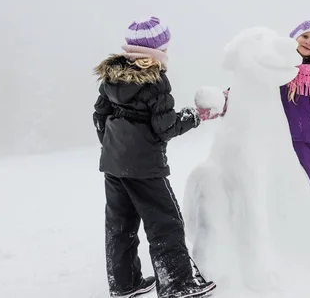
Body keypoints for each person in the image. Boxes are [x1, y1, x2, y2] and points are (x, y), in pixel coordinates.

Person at [197, 20, 310, 254]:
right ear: (293, 38)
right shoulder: (282, 69)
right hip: (297, 141)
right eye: (305, 36)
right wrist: (223, 102)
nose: (308, 42)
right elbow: (253, 86)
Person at [93, 17, 217, 298]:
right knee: (165, 222)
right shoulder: (156, 82)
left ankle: (124, 284)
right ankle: (178, 285)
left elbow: (99, 116)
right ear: (158, 49)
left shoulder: (111, 75)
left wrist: (114, 146)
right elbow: (166, 127)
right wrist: (198, 116)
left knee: (120, 224)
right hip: (145, 167)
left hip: (113, 164)